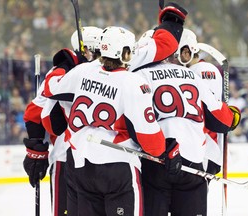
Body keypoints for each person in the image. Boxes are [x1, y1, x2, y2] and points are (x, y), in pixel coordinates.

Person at [41, 25, 182, 216]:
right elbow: (150, 140)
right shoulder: (133, 82)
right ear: (124, 53)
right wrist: (167, 149)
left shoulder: (82, 71)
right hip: (117, 168)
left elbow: (50, 88)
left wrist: (63, 65)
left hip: (81, 165)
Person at [134, 33, 241, 216]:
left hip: (155, 161)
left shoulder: (139, 75)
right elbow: (223, 121)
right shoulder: (193, 76)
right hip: (192, 163)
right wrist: (233, 116)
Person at [22, 26, 103, 216]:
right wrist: (36, 149)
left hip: (91, 157)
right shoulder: (62, 72)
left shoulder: (105, 72)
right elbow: (35, 112)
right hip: (75, 157)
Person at [174, 28, 225, 175]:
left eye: (177, 55)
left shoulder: (202, 70)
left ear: (186, 52)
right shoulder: (200, 69)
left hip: (204, 151)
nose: (174, 60)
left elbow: (208, 114)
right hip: (200, 150)